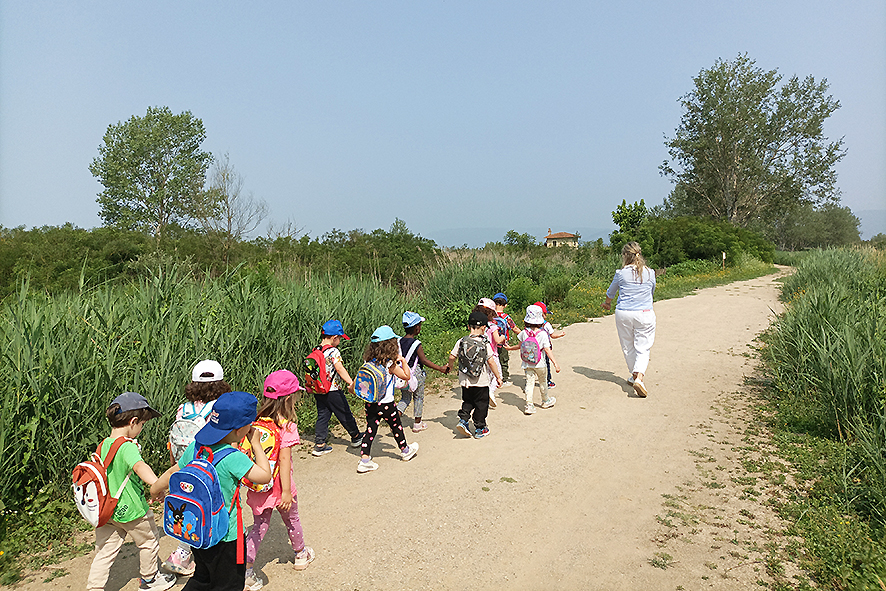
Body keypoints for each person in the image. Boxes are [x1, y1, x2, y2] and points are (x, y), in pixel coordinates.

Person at [151, 391, 272, 591]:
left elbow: (173, 471)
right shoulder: (233, 458)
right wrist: (256, 444)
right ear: (240, 429)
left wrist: (155, 488)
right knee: (228, 584)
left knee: (203, 577)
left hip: (199, 531)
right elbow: (265, 476)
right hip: (227, 536)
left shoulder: (196, 447)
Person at [86, 392, 177, 591]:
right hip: (132, 509)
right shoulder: (127, 446)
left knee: (104, 551)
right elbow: (139, 467)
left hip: (107, 510)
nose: (141, 428)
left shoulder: (103, 445)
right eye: (142, 424)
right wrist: (157, 484)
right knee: (149, 541)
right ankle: (150, 580)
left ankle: (94, 587)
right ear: (133, 421)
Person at [244, 370, 314, 591]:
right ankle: (300, 554)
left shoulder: (255, 423)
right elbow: (284, 460)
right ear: (288, 399)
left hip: (259, 483)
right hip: (280, 486)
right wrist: (285, 492)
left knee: (259, 526)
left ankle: (246, 570)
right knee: (292, 519)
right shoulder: (287, 426)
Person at [163, 359, 231, 576]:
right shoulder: (219, 407)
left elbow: (174, 439)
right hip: (208, 465)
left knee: (189, 505)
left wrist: (174, 465)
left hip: (185, 464)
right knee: (211, 506)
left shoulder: (183, 408)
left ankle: (181, 553)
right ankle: (192, 551)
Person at [354, 325, 420, 473]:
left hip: (371, 402)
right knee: (396, 427)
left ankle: (364, 460)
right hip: (387, 403)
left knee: (370, 429)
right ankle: (405, 450)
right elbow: (406, 376)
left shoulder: (368, 362)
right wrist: (403, 361)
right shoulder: (390, 364)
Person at [602, 241, 656, 397]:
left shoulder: (621, 273)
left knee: (628, 346)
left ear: (625, 256)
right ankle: (639, 378)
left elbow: (611, 292)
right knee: (643, 347)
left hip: (624, 313)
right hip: (645, 313)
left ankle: (634, 376)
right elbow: (651, 292)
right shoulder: (650, 272)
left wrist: (607, 303)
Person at [311, 320, 364, 456]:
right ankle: (356, 436)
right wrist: (351, 383)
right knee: (344, 412)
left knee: (323, 415)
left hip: (319, 389)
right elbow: (339, 368)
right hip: (333, 390)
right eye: (340, 338)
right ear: (335, 337)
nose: (340, 341)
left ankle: (319, 444)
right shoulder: (333, 351)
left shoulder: (316, 350)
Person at [448, 310, 503, 438]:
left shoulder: (461, 341)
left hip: (465, 381)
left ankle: (463, 420)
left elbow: (452, 356)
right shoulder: (484, 343)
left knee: (468, 401)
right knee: (481, 404)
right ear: (483, 327)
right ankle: (480, 428)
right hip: (481, 381)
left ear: (468, 326)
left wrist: (450, 366)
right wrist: (498, 377)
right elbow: (491, 362)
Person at [397, 311, 451, 432]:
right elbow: (424, 360)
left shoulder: (399, 341)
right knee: (418, 398)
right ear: (417, 328)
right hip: (416, 374)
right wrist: (440, 368)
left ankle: (394, 421)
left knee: (405, 399)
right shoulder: (416, 344)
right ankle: (417, 423)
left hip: (403, 374)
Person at [512, 305, 560, 415]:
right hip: (540, 363)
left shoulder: (523, 333)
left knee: (529, 383)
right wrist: (555, 363)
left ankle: (529, 405)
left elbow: (519, 346)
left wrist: (510, 348)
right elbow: (547, 350)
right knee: (543, 382)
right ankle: (545, 401)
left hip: (527, 363)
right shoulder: (543, 334)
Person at [476, 298, 505, 408]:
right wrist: (503, 337)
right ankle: (490, 392)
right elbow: (497, 340)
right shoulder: (493, 326)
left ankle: (483, 395)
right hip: (492, 355)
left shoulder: (478, 326)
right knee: (498, 375)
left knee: (487, 375)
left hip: (481, 354)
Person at [533, 301, 564, 389]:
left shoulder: (530, 325)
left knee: (533, 364)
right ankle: (547, 381)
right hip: (544, 348)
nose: (546, 316)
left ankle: (531, 381)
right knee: (546, 364)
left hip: (534, 348)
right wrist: (560, 335)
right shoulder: (546, 324)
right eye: (545, 314)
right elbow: (552, 335)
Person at [492, 293, 518, 387]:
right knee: (503, 361)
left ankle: (494, 378)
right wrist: (524, 335)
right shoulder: (506, 317)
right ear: (505, 305)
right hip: (503, 343)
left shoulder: (490, 316)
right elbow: (514, 328)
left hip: (492, 343)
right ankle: (504, 379)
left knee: (492, 360)